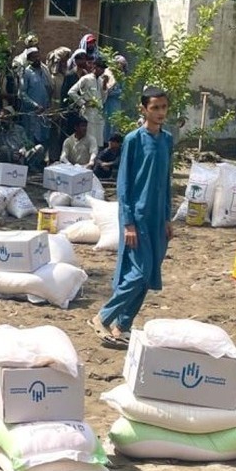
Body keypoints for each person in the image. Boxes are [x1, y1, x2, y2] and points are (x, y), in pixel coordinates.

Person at [89, 87, 174, 344]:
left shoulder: (168, 139)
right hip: (136, 216)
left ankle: (122, 327)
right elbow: (124, 184)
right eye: (155, 108)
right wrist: (127, 223)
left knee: (148, 275)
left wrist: (168, 217)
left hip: (158, 218)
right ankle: (103, 317)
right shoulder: (133, 140)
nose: (160, 113)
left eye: (163, 107)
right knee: (138, 272)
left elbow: (166, 181)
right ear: (143, 109)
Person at [68, 57, 107, 152]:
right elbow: (71, 92)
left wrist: (105, 87)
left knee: (98, 142)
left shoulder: (101, 81)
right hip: (88, 114)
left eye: (103, 69)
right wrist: (83, 103)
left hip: (98, 114)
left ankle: (94, 162)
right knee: (88, 140)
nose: (101, 71)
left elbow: (103, 99)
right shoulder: (86, 79)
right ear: (94, 66)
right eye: (100, 68)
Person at [19, 47, 51, 155]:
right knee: (30, 138)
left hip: (44, 112)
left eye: (38, 55)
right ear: (29, 59)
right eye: (34, 57)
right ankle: (29, 162)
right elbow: (22, 94)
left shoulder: (44, 71)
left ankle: (39, 162)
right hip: (32, 113)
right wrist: (35, 105)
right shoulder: (26, 73)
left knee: (43, 137)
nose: (37, 58)